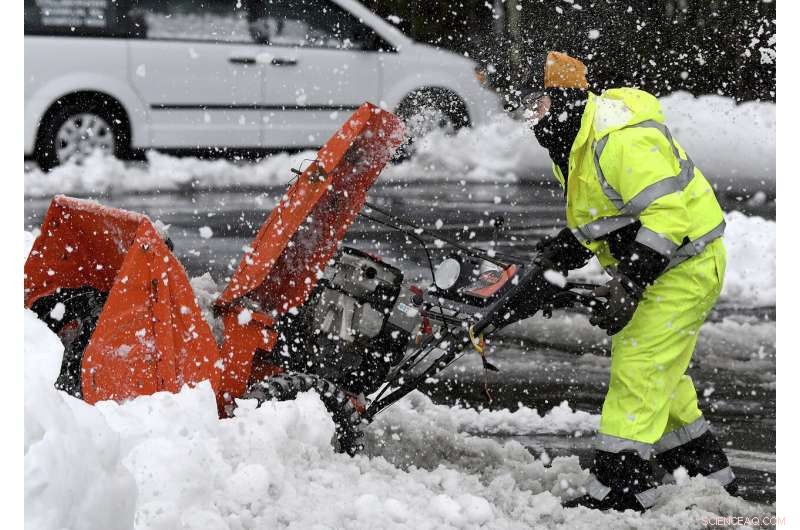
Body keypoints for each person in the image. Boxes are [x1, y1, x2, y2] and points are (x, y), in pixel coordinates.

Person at [514, 51, 736, 511]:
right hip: (664, 263)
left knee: (638, 365)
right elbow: (604, 214)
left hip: (688, 263)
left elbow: (668, 216)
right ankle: (706, 473)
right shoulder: (572, 144)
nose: (530, 116)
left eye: (536, 104)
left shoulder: (618, 141)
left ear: (561, 101)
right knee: (661, 372)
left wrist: (630, 283)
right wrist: (563, 252)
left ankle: (623, 486)